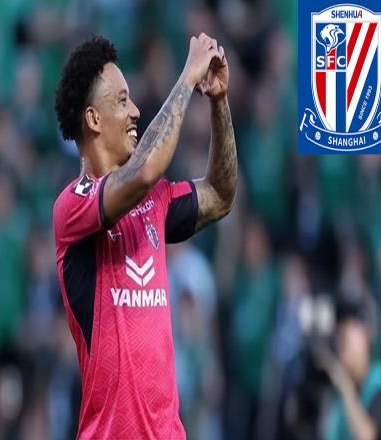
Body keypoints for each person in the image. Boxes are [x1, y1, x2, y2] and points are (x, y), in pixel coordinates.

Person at [52, 34, 237, 439]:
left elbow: (221, 194)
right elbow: (145, 171)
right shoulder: (73, 206)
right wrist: (187, 78)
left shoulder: (156, 201)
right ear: (93, 120)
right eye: (122, 101)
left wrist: (219, 102)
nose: (135, 111)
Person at [321, 295, 381, 440]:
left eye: (347, 331)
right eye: (339, 333)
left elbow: (369, 437)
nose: (341, 338)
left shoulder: (378, 380)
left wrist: (345, 386)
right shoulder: (339, 392)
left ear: (366, 335)